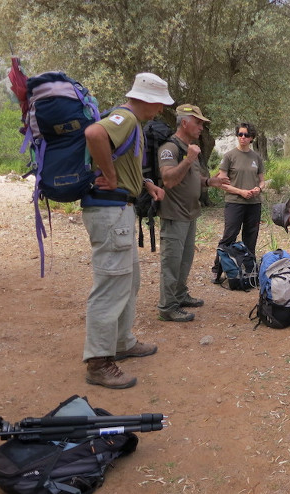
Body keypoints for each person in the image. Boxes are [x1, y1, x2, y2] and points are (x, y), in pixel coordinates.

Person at [82, 73, 173, 389]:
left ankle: (121, 342)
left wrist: (144, 184)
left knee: (128, 279)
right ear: (147, 98)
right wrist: (109, 174)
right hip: (109, 210)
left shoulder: (131, 122)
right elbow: (94, 134)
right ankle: (98, 362)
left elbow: (124, 162)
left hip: (119, 209)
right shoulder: (125, 117)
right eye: (159, 103)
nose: (160, 110)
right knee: (111, 283)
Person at [157, 104, 229, 322]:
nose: (201, 127)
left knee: (185, 260)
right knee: (171, 262)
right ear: (185, 123)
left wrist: (209, 181)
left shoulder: (191, 148)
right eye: (197, 123)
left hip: (190, 214)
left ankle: (179, 295)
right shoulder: (170, 149)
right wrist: (188, 159)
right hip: (174, 214)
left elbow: (191, 178)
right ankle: (167, 307)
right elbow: (168, 179)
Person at [211, 122, 265, 283]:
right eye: (240, 134)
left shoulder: (257, 157)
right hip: (234, 202)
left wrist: (258, 189)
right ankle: (217, 269)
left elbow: (262, 181)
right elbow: (222, 182)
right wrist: (240, 192)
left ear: (252, 138)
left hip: (254, 203)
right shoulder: (229, 156)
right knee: (229, 236)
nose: (242, 137)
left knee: (251, 237)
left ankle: (249, 271)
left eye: (246, 135)